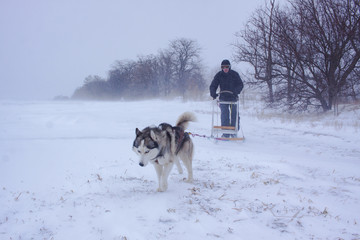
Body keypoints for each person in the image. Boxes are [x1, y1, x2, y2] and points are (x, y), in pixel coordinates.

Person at [209, 59, 244, 137]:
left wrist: (236, 91)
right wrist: (213, 94)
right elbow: (213, 85)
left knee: (234, 115)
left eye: (227, 67)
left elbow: (240, 84)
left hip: (233, 98)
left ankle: (234, 132)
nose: (225, 68)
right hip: (223, 98)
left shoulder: (234, 74)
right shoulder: (219, 75)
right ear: (221, 67)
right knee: (224, 114)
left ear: (229, 67)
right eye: (223, 67)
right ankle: (226, 133)